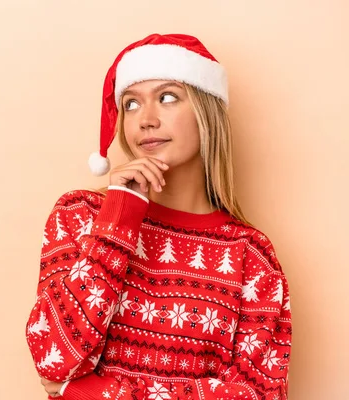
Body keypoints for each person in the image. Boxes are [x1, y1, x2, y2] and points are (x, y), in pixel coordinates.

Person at [25, 33, 291, 400]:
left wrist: (103, 394)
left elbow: (258, 395)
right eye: (131, 104)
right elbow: (54, 358)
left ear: (205, 111)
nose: (146, 120)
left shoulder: (251, 256)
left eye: (167, 98)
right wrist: (118, 220)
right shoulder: (80, 216)